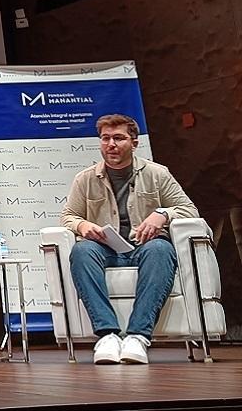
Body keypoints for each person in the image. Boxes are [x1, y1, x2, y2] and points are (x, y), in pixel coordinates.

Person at [60, 113, 197, 365]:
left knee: (159, 248)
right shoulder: (85, 179)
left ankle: (137, 336)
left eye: (119, 138)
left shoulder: (157, 174)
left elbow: (189, 210)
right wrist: (82, 224)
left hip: (144, 247)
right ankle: (107, 334)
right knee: (82, 251)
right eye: (105, 138)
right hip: (106, 249)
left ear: (134, 143)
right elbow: (68, 216)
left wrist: (162, 214)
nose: (111, 144)